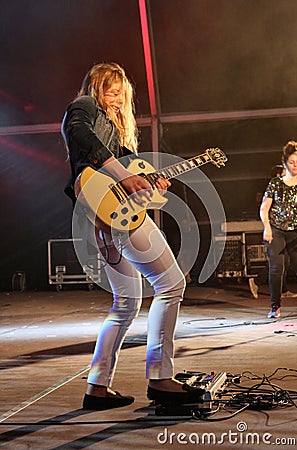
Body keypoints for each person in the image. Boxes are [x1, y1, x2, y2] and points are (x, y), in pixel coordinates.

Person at [61, 62, 201, 410]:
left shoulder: (116, 138)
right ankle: (161, 377)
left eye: (121, 92)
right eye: (110, 88)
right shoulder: (86, 107)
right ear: (95, 86)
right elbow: (75, 129)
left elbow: (130, 178)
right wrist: (122, 175)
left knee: (125, 304)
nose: (117, 96)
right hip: (112, 217)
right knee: (171, 284)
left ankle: (97, 387)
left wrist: (151, 182)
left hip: (101, 220)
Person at [260, 141, 297, 318]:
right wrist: (267, 228)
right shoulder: (276, 183)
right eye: (292, 162)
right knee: (277, 269)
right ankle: (275, 307)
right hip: (276, 230)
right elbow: (264, 208)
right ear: (285, 163)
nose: (296, 165)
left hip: (296, 232)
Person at [248, 164, 297, 300]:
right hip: (275, 231)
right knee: (279, 262)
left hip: (286, 230)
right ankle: (257, 281)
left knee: (285, 261)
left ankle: (282, 290)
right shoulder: (273, 190)